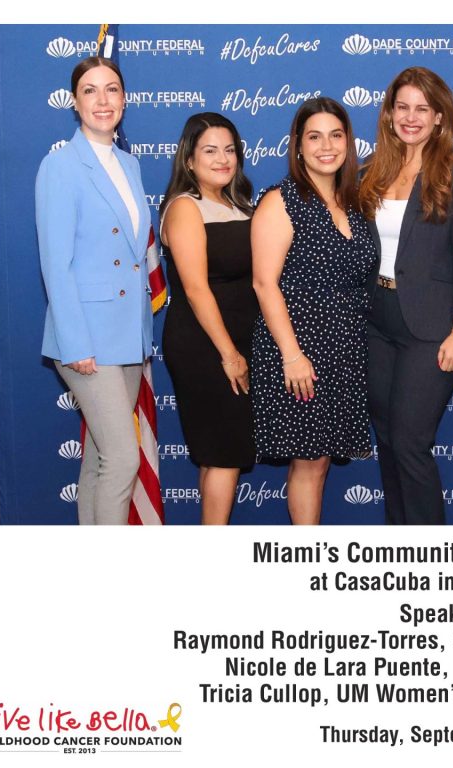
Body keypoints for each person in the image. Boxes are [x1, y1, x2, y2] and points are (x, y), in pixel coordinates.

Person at [359, 67, 453, 525]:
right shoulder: (369, 172)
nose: (411, 117)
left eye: (422, 109)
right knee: (388, 439)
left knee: (410, 442)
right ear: (389, 114)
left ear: (439, 117)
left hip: (431, 327)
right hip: (376, 322)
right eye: (403, 107)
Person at [36, 57, 151, 525]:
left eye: (112, 89)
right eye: (90, 90)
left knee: (101, 459)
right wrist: (76, 342)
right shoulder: (60, 166)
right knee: (122, 459)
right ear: (74, 102)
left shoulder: (129, 163)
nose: (102, 100)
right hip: (86, 337)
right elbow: (55, 264)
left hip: (126, 335)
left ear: (124, 99)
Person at [251, 98, 376, 525]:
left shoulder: (355, 202)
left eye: (336, 135)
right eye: (315, 137)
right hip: (299, 350)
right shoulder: (281, 200)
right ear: (298, 146)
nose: (327, 146)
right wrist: (291, 355)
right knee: (308, 461)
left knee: (319, 461)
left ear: (348, 142)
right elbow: (264, 283)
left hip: (344, 350)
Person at [160, 113, 257, 525]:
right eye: (210, 151)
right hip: (206, 346)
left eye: (229, 150)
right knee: (225, 453)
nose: (222, 159)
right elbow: (196, 288)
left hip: (237, 339)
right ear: (189, 159)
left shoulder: (238, 204)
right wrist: (229, 354)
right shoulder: (185, 207)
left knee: (219, 452)